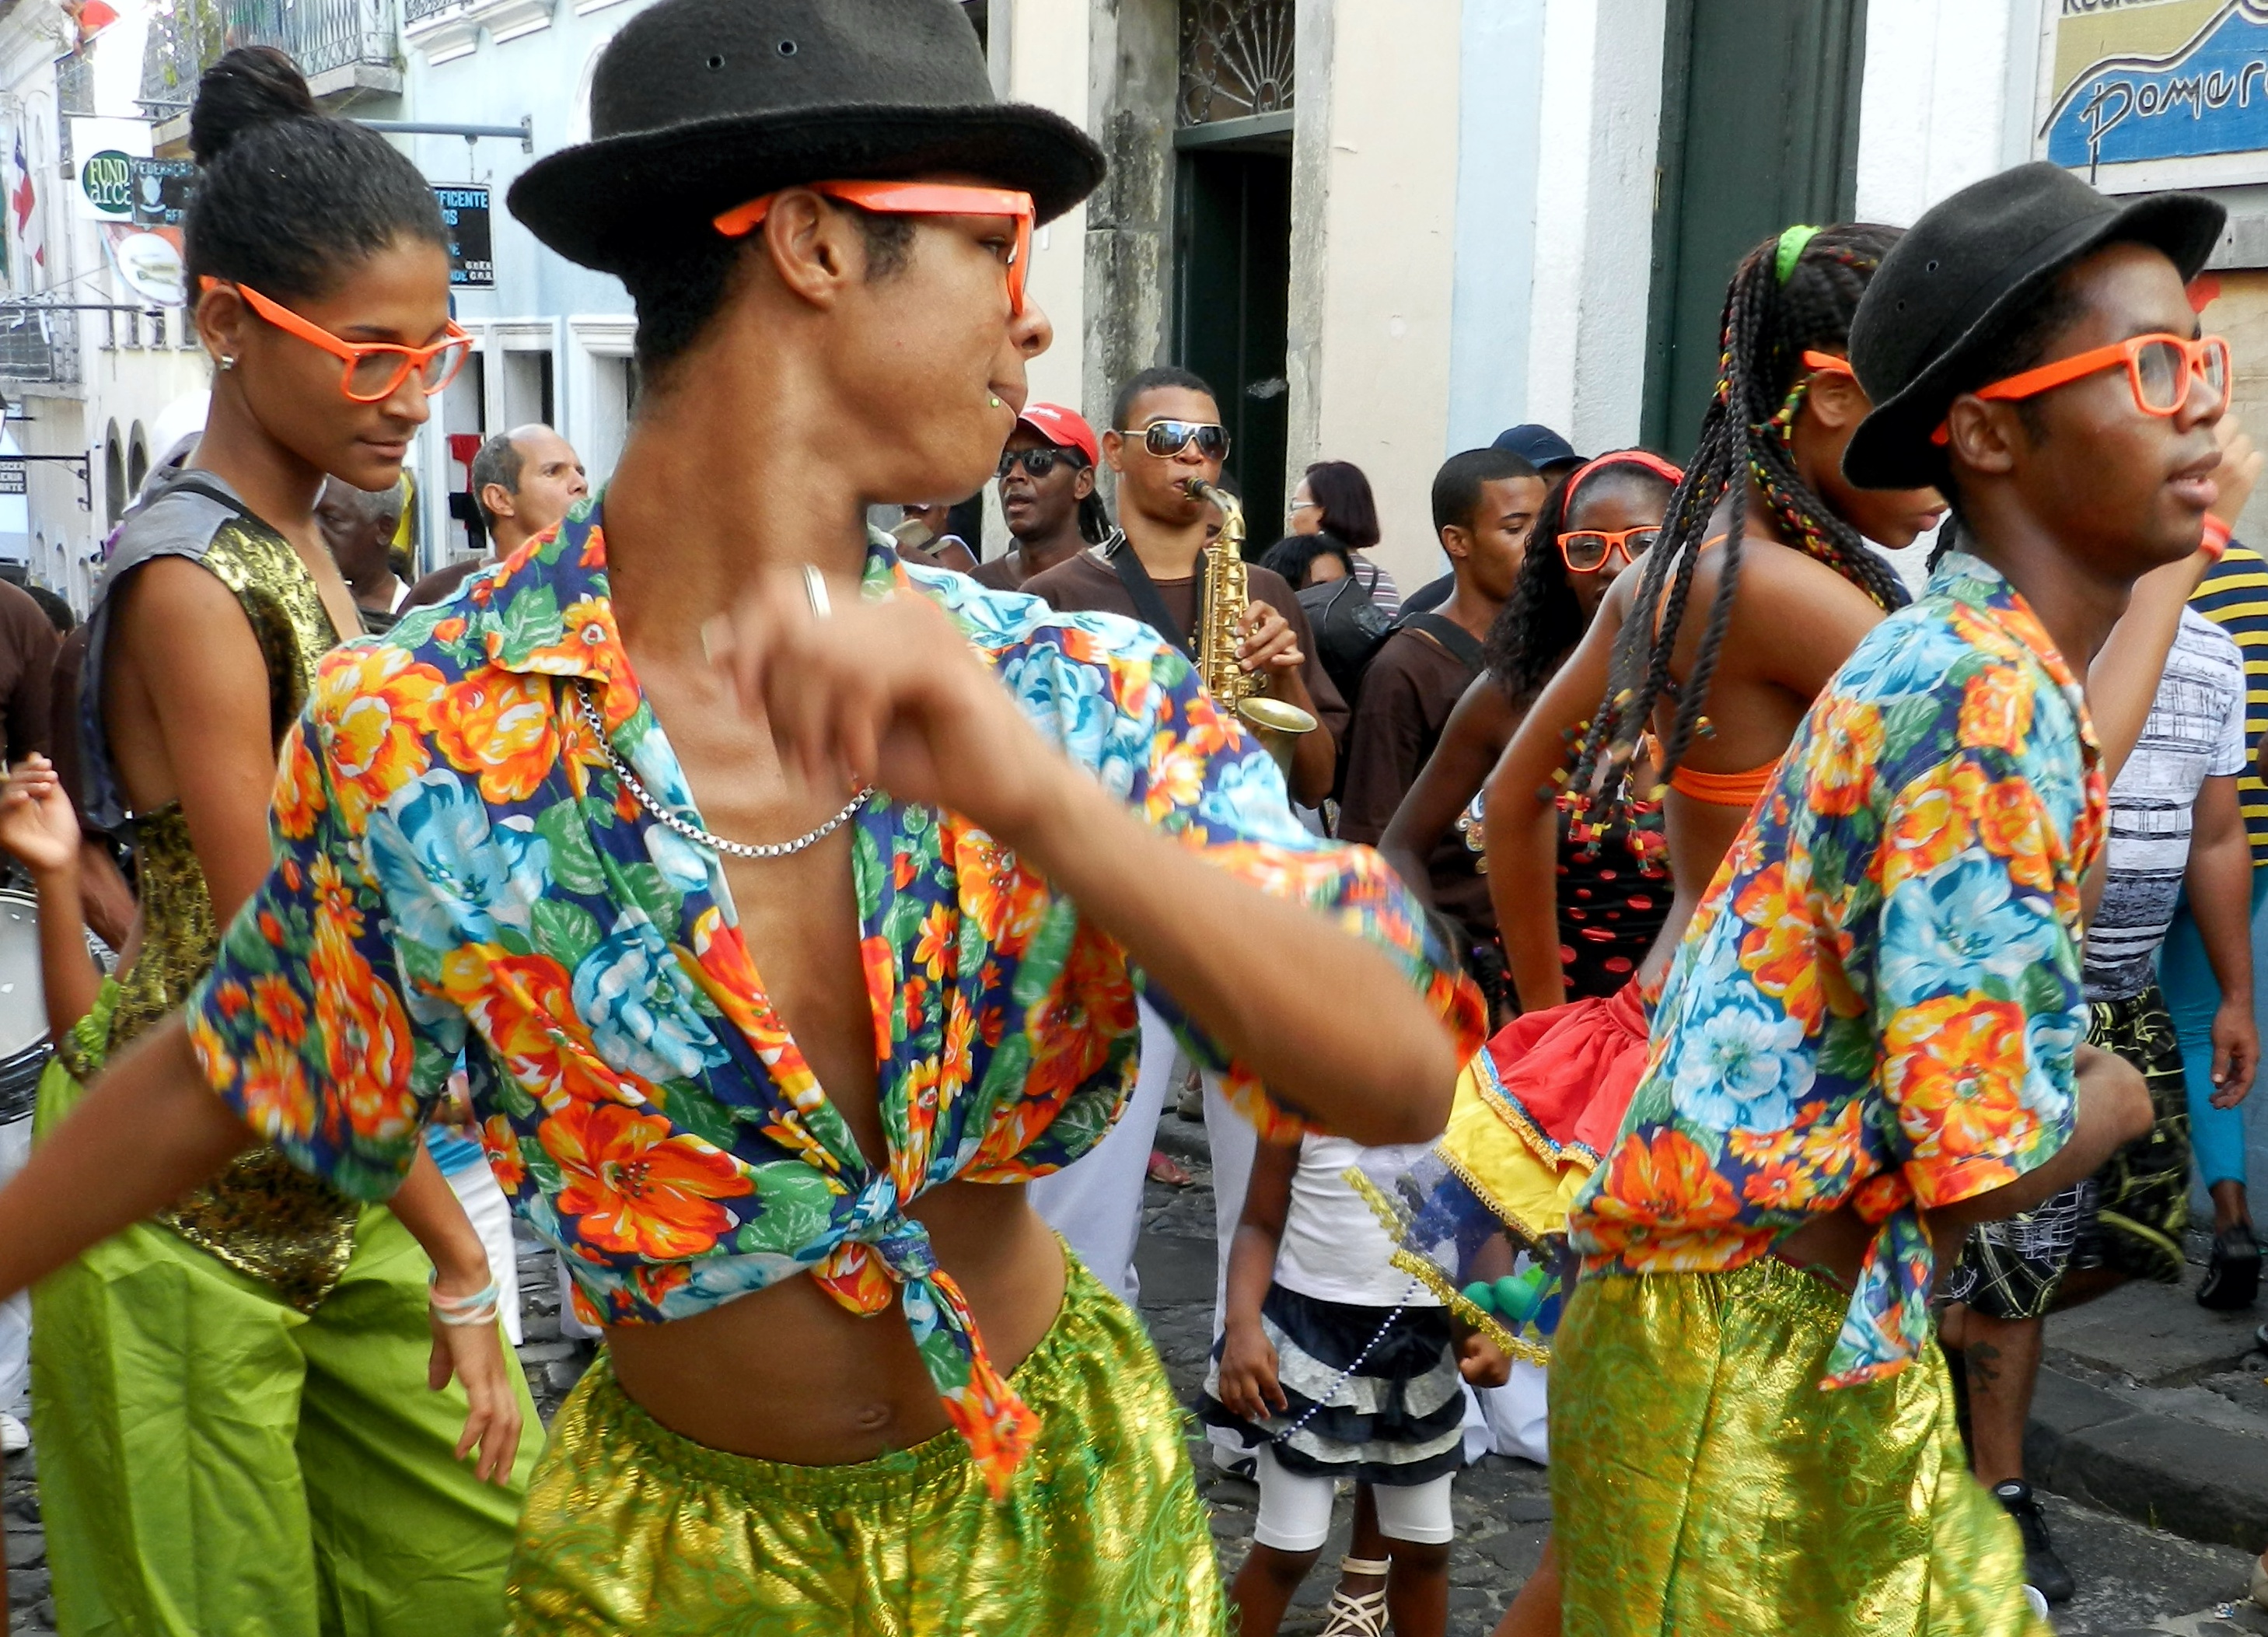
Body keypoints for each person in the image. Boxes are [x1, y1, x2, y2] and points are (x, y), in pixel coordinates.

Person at [0, 9, 1481, 1634]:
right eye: (996, 242)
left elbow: (1396, 1069)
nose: (1033, 316)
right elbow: (242, 1062)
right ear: (814, 242)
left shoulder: (1063, 687)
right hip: (673, 1573)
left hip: (1062, 1530)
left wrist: (1040, 802)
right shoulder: (425, 730)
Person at [1550, 160, 2238, 1636]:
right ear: (1987, 433)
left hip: (1774, 1322)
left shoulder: (1979, 662)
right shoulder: (1976, 692)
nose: (2200, 409)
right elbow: (1977, 1165)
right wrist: (2119, 1097)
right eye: (2151, 366)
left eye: (2204, 363)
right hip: (1742, 1345)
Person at [9, 48, 533, 1637]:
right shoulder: (189, 579)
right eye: (371, 355)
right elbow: (278, 968)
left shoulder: (307, 533)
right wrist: (461, 1256)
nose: (415, 396)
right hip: (175, 1209)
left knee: (482, 1577)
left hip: (342, 1175)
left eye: (435, 351)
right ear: (228, 324)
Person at [1023, 363, 1351, 1345]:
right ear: (1115, 455)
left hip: (1247, 905)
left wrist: (1284, 674)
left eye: (1210, 441)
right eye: (1167, 439)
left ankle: (1254, 1382)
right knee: (1087, 1176)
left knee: (1269, 1170)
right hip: (1112, 914)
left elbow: (1314, 776)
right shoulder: (1054, 598)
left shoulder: (1264, 589)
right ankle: (1086, 1374)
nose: (1194, 458)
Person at [1938, 600, 2258, 1602]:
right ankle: (2000, 1489)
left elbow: (2215, 833)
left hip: (2130, 995)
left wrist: (2235, 994)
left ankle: (1951, 1328)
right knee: (2016, 1268)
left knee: (2143, 1236)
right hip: (2012, 1007)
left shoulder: (2211, 651)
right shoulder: (2006, 633)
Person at [1379, 449, 1683, 1023]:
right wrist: (1449, 970)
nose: (1615, 567)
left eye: (1643, 543)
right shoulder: (1512, 694)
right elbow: (1400, 846)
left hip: (1678, 1034)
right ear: (1559, 564)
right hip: (1535, 1032)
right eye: (1587, 547)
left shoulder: (1722, 699)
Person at [1204, 1129, 1507, 1637]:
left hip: (1419, 1357)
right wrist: (1242, 1325)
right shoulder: (1301, 1101)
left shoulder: (1469, 1108)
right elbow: (1259, 1221)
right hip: (1305, 1348)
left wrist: (1493, 1327)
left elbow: (1485, 1231)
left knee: (1424, 1546)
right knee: (1289, 1546)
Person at [1337, 447, 1543, 851]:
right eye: (1515, 529)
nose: (1540, 545)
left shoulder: (1555, 649)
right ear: (1458, 541)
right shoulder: (1403, 669)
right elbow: (1371, 835)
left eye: (1547, 525)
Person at [2168, 536, 2268, 1306]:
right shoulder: (2262, 582)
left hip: (2148, 834)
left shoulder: (2144, 581)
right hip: (2247, 844)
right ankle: (2232, 1225)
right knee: (2210, 1023)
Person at [404, 423, 589, 610]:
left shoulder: (599, 582)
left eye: (580, 472)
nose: (581, 483)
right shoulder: (439, 595)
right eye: (553, 472)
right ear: (500, 499)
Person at [1405, 427, 1582, 618]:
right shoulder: (1425, 611)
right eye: (1515, 528)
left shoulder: (1579, 591)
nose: (1539, 537)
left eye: (1568, 484)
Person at [975, 401, 1108, 590]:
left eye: (1038, 460)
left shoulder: (1111, 585)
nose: (1014, 475)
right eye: (1005, 462)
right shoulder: (977, 587)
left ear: (1082, 483)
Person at [1289, 460, 1400, 617]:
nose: (1291, 517)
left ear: (1322, 511)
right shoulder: (1381, 580)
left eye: (1295, 507)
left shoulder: (1295, 570)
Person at [315, 476, 411, 633]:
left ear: (384, 529)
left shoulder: (415, 622)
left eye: (331, 519)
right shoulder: (299, 596)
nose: (314, 529)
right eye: (308, 515)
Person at [892, 496, 980, 572]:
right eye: (907, 511)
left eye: (922, 512)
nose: (913, 518)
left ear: (944, 510)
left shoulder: (948, 552)